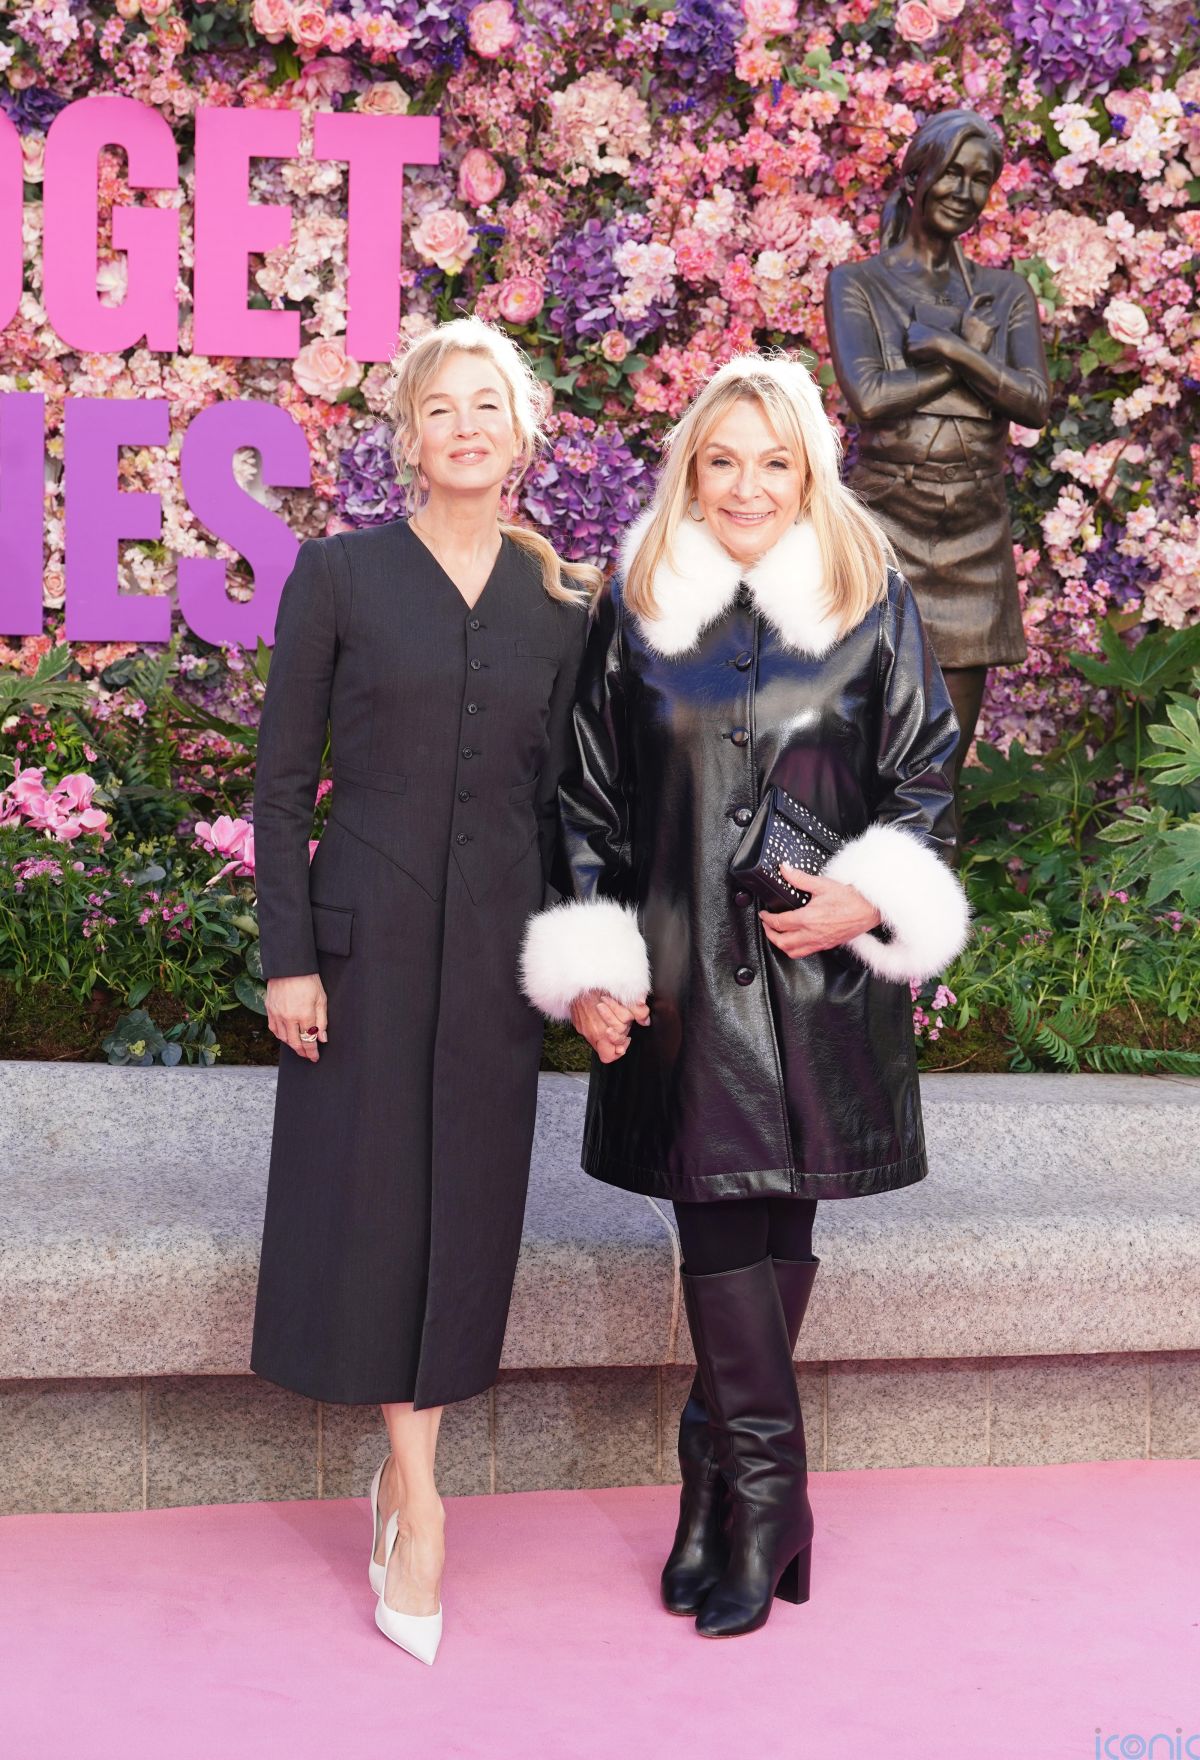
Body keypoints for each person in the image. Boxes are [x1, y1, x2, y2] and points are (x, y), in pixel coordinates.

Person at [519, 352, 971, 1639]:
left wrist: (867, 895)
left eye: (774, 460)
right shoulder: (639, 603)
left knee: (779, 1227)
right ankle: (763, 1498)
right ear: (690, 471)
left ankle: (728, 1492)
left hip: (821, 984)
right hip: (683, 987)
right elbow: (584, 797)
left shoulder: (869, 598)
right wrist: (592, 961)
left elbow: (927, 773)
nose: (748, 485)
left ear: (810, 469)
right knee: (720, 1223)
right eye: (722, 460)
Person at [250, 316, 594, 1665]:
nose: (465, 426)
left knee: (467, 1212)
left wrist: (582, 969)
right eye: (441, 407)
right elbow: (283, 784)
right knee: (381, 1205)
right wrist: (289, 956)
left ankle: (407, 1475)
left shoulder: (561, 608)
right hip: (361, 953)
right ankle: (421, 1499)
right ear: (410, 434)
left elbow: (567, 807)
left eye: (487, 406)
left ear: (521, 437)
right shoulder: (339, 575)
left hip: (498, 959)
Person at [824, 108, 1050, 845]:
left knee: (940, 775)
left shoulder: (1004, 294)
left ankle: (925, 917)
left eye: (981, 179)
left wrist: (950, 349)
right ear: (915, 177)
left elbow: (1033, 403)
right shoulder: (857, 284)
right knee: (864, 761)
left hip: (973, 537)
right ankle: (849, 911)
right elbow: (870, 397)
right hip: (885, 530)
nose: (965, 191)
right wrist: (983, 370)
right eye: (952, 172)